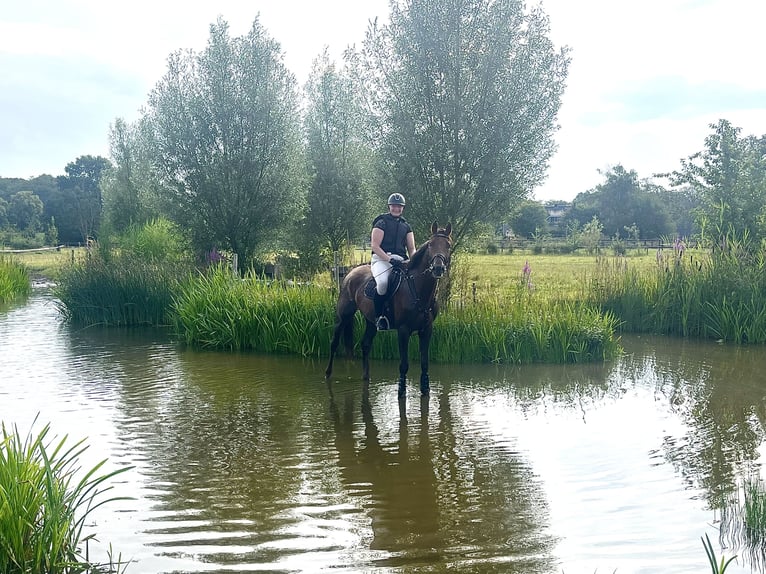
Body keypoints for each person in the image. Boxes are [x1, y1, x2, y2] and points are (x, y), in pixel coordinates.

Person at [370, 192, 416, 330]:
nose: (397, 209)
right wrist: (389, 259)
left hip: (401, 261)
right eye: (394, 206)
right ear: (389, 206)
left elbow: (412, 248)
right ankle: (379, 318)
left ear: (403, 208)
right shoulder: (381, 223)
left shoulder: (406, 226)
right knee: (383, 283)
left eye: (400, 206)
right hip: (381, 260)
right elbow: (375, 246)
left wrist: (414, 260)